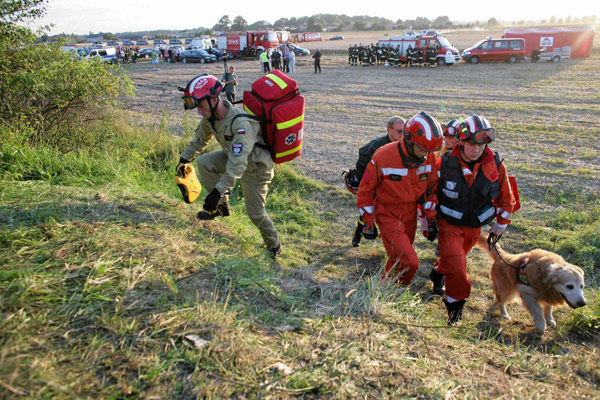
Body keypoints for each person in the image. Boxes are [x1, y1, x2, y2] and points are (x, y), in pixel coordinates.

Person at [177, 74, 281, 258]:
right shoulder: (211, 118)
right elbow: (199, 139)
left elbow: (237, 165)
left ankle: (274, 246)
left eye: (200, 107)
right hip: (235, 159)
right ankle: (221, 208)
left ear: (213, 99)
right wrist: (184, 160)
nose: (199, 112)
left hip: (256, 169)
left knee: (256, 213)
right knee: (204, 162)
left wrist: (217, 191)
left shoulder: (242, 124)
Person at [432, 114, 515, 324]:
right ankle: (455, 313)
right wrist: (428, 219)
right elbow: (429, 192)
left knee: (453, 259)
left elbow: (507, 199)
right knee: (458, 268)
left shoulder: (496, 165)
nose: (476, 149)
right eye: (470, 144)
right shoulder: (444, 163)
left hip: (474, 228)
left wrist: (499, 227)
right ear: (461, 140)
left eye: (481, 144)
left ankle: (436, 272)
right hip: (448, 223)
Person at [356, 112, 443, 285]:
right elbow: (365, 190)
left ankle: (384, 290)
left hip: (409, 213)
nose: (426, 154)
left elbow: (430, 190)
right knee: (409, 261)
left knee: (398, 258)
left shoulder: (429, 157)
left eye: (430, 150)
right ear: (410, 141)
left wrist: (430, 218)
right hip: (387, 212)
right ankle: (397, 289)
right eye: (423, 149)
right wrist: (368, 221)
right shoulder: (383, 155)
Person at [346, 117, 406, 247]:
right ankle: (358, 235)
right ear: (389, 130)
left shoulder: (406, 146)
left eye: (404, 131)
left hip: (394, 188)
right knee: (367, 212)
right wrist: (366, 184)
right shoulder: (376, 146)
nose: (402, 135)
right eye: (399, 131)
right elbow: (362, 163)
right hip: (376, 185)